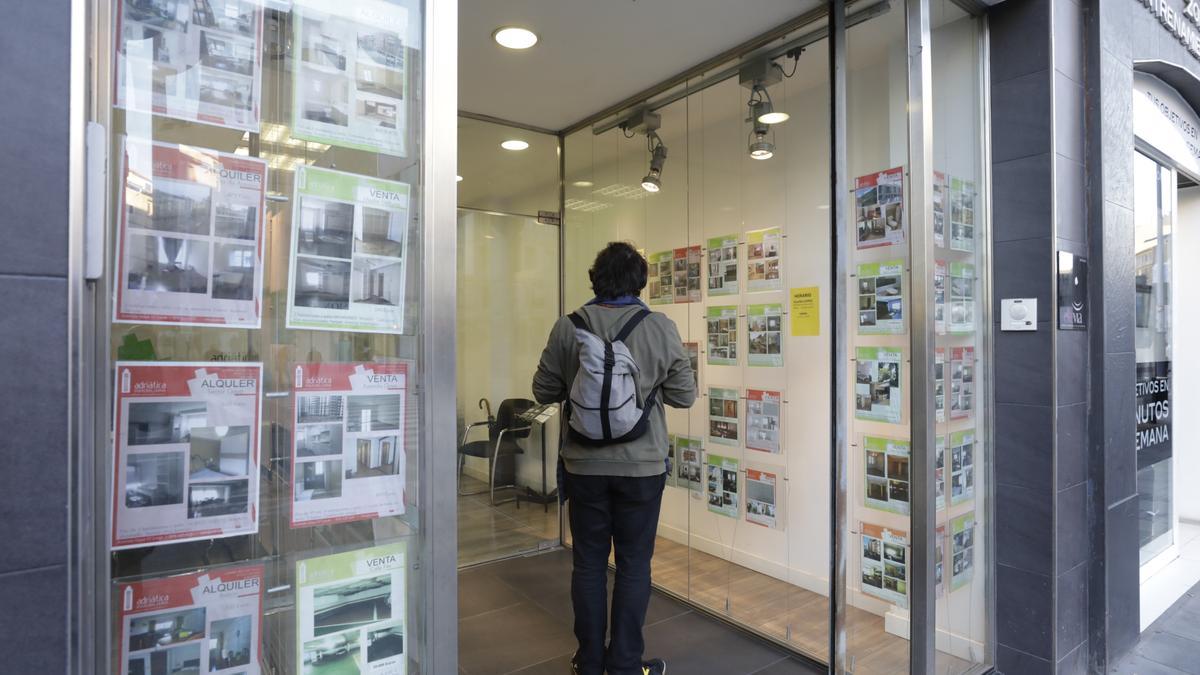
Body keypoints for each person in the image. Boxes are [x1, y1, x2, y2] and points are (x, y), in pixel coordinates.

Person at [533, 242, 696, 675]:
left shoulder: (568, 327)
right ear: (639, 282)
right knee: (633, 564)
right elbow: (684, 395)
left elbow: (543, 391)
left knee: (587, 563)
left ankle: (588, 662)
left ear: (595, 279)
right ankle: (624, 664)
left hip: (583, 467)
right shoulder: (659, 327)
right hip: (641, 468)